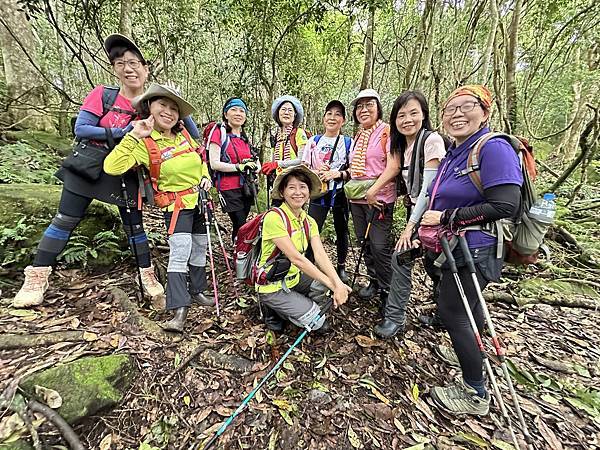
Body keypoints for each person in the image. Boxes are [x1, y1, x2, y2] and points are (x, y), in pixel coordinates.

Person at [12, 34, 166, 309]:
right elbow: (82, 128)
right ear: (114, 69)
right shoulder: (103, 95)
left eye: (133, 62)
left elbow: (180, 121)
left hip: (127, 169)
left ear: (146, 67)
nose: (127, 68)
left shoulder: (153, 103)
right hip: (88, 165)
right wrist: (123, 131)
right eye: (120, 63)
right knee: (64, 220)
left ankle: (147, 275)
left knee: (135, 227)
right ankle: (37, 277)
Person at [422, 85, 522, 416]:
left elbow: (506, 203)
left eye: (466, 106)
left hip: (476, 247)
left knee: (452, 311)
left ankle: (475, 393)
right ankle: (474, 352)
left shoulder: (493, 148)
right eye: (450, 109)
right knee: (469, 306)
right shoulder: (457, 151)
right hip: (459, 245)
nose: (457, 114)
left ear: (485, 112)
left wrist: (448, 217)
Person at [104, 83, 213, 332]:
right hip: (175, 207)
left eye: (174, 108)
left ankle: (198, 291)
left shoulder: (184, 134)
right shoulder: (144, 142)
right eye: (162, 105)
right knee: (180, 253)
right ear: (149, 107)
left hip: (199, 200)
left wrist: (205, 176)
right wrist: (134, 136)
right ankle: (179, 309)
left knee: (199, 249)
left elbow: (200, 159)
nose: (169, 111)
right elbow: (112, 167)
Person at [367, 91, 446, 338]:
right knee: (422, 263)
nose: (407, 120)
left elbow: (428, 189)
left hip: (437, 216)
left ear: (424, 114)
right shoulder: (404, 145)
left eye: (413, 113)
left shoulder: (432, 141)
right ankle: (399, 315)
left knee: (418, 262)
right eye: (401, 115)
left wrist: (409, 227)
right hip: (418, 214)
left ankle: (410, 316)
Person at [256, 165, 351, 332]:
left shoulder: (308, 221)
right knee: (318, 323)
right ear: (283, 192)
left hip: (293, 277)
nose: (298, 192)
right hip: (272, 284)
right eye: (291, 187)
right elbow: (297, 259)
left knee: (324, 285)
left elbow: (320, 254)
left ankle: (300, 304)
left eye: (303, 187)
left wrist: (337, 282)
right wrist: (333, 285)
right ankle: (272, 307)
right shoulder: (274, 217)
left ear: (309, 192)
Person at [346, 88, 394, 313]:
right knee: (363, 242)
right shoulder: (358, 135)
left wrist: (374, 190)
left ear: (378, 108)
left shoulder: (387, 132)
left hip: (379, 199)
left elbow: (393, 166)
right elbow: (356, 169)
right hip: (357, 198)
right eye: (359, 106)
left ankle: (388, 292)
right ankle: (374, 281)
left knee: (379, 246)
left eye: (369, 105)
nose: (364, 110)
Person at [302, 100, 352, 284]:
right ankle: (308, 264)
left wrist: (337, 173)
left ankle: (341, 266)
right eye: (329, 113)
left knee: (342, 230)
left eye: (337, 114)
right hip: (318, 192)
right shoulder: (313, 141)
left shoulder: (348, 143)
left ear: (344, 120)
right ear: (323, 118)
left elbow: (354, 170)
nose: (332, 117)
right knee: (312, 229)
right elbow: (304, 168)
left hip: (339, 193)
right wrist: (317, 172)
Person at [207, 97, 261, 243]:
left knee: (241, 224)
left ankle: (239, 251)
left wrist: (255, 167)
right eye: (234, 109)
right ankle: (240, 252)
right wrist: (238, 167)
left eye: (242, 111)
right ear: (226, 114)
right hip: (228, 187)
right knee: (240, 223)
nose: (238, 113)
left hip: (246, 187)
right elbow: (214, 163)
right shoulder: (219, 132)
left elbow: (257, 162)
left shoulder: (245, 138)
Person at [261, 95, 309, 205]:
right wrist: (269, 168)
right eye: (283, 109)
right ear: (278, 113)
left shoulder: (299, 133)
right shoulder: (277, 136)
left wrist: (278, 164)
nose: (286, 113)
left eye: (290, 110)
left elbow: (302, 160)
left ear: (295, 115)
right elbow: (275, 160)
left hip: (295, 182)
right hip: (279, 183)